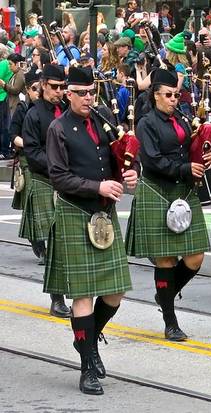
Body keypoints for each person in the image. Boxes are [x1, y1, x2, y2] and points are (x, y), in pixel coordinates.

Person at [44, 65, 138, 395]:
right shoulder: (58, 128)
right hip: (75, 212)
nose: (88, 98)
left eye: (91, 92)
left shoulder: (103, 121)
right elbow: (58, 176)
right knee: (82, 296)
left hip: (104, 215)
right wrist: (97, 186)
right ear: (68, 94)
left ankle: (88, 341)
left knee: (115, 291)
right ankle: (87, 369)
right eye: (81, 93)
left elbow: (120, 157)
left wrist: (128, 174)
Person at [126, 68, 211, 341]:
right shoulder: (146, 123)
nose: (174, 99)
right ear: (155, 96)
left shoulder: (182, 119)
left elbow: (189, 149)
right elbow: (151, 160)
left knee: (195, 256)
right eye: (168, 95)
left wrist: (205, 157)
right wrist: (185, 168)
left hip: (183, 190)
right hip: (157, 189)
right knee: (165, 260)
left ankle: (165, 293)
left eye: (176, 94)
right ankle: (170, 320)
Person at [20, 64, 72, 317]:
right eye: (54, 87)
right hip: (46, 181)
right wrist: (57, 167)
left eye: (63, 87)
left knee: (70, 243)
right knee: (55, 245)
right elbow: (32, 152)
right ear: (43, 86)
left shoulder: (68, 111)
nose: (59, 92)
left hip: (70, 182)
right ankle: (57, 299)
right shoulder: (34, 115)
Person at [10, 70, 40, 212]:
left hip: (44, 157)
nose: (38, 92)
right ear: (28, 90)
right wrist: (30, 145)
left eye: (40, 88)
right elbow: (14, 135)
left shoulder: (49, 109)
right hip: (26, 156)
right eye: (34, 88)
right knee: (32, 201)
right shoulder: (22, 109)